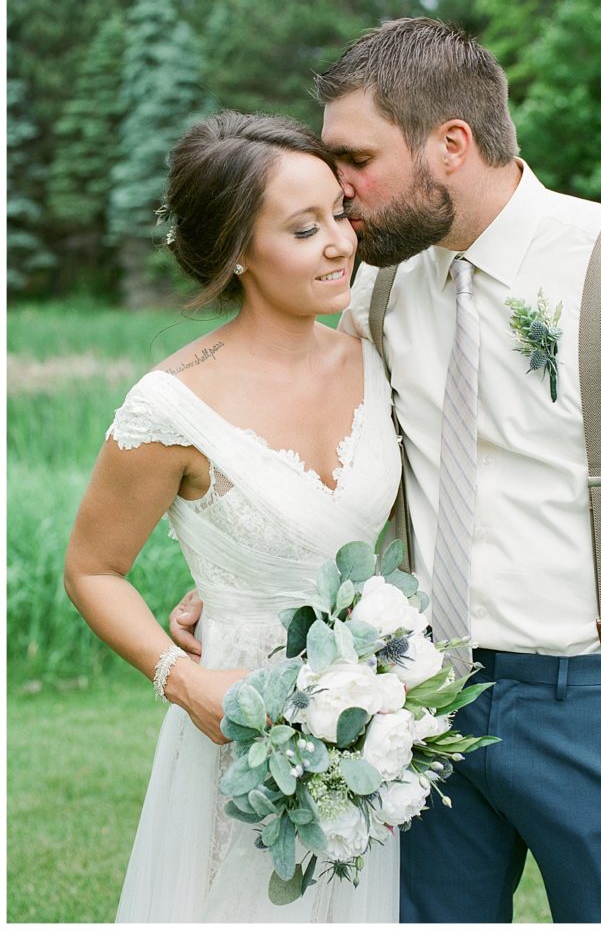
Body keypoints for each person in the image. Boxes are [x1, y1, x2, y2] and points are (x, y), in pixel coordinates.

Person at [171, 19, 601, 923]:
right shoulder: (372, 285)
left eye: (354, 158)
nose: (338, 193)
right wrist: (242, 575)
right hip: (420, 707)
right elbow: (297, 418)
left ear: (451, 145)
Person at [64, 110, 402, 923]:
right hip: (242, 717)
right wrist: (182, 680)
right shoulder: (172, 407)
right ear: (240, 253)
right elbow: (90, 568)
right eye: (302, 228)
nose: (339, 243)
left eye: (338, 214)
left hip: (376, 714)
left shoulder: (379, 344)